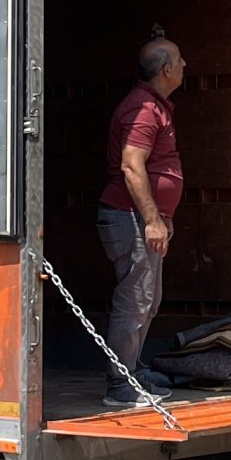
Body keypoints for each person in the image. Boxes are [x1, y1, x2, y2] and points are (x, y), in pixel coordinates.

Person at [98, 33, 187, 406]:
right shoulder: (144, 110)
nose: (184, 65)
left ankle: (131, 371)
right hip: (129, 218)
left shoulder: (153, 106)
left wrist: (162, 216)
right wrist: (152, 219)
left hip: (141, 217)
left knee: (148, 299)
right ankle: (120, 385)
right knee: (135, 300)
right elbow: (132, 167)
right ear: (166, 69)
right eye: (179, 59)